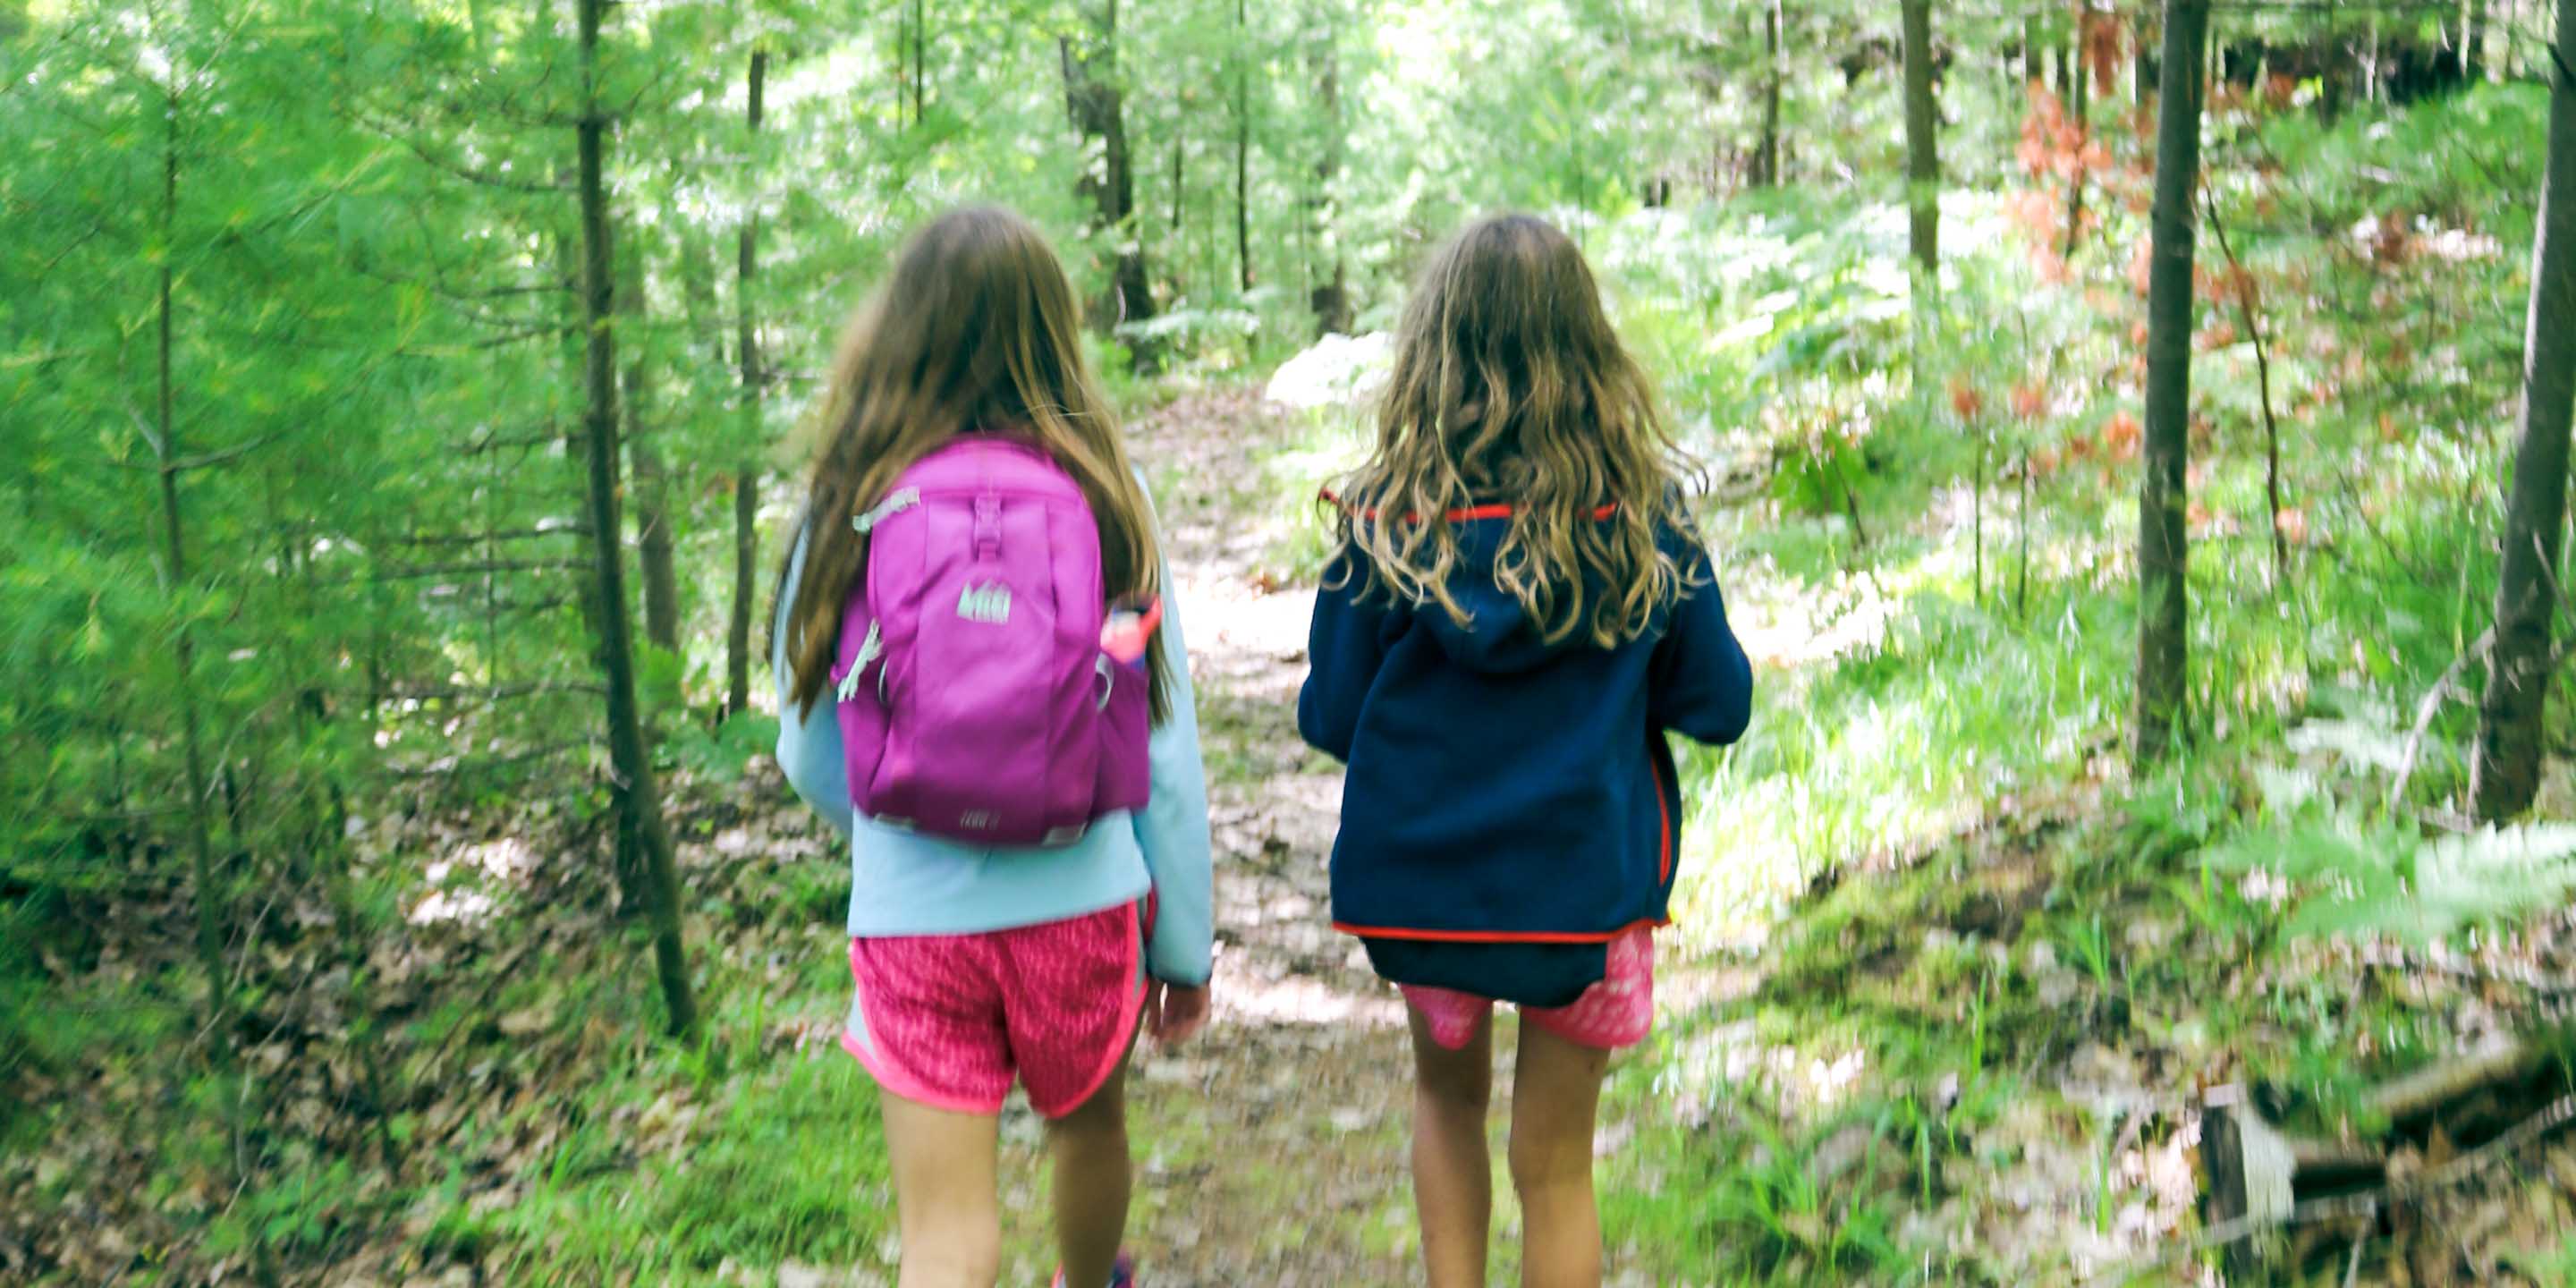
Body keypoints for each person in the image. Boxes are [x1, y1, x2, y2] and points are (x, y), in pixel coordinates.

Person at [1298, 213, 1754, 1288]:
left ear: (1431, 356)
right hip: (1585, 898)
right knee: (1556, 1167)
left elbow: (1331, 717)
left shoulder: (1388, 526)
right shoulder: (1641, 523)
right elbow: (1719, 703)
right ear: (1590, 356)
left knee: (1445, 1108)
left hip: (1428, 894)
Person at [772, 206, 1214, 1288]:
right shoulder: (1108, 493)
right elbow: (1158, 743)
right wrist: (1185, 942)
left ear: (899, 328)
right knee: (1087, 1131)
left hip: (914, 921)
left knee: (944, 1229)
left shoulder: (851, 498)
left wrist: (902, 820)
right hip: (1081, 902)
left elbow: (804, 750)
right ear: (1054, 335)